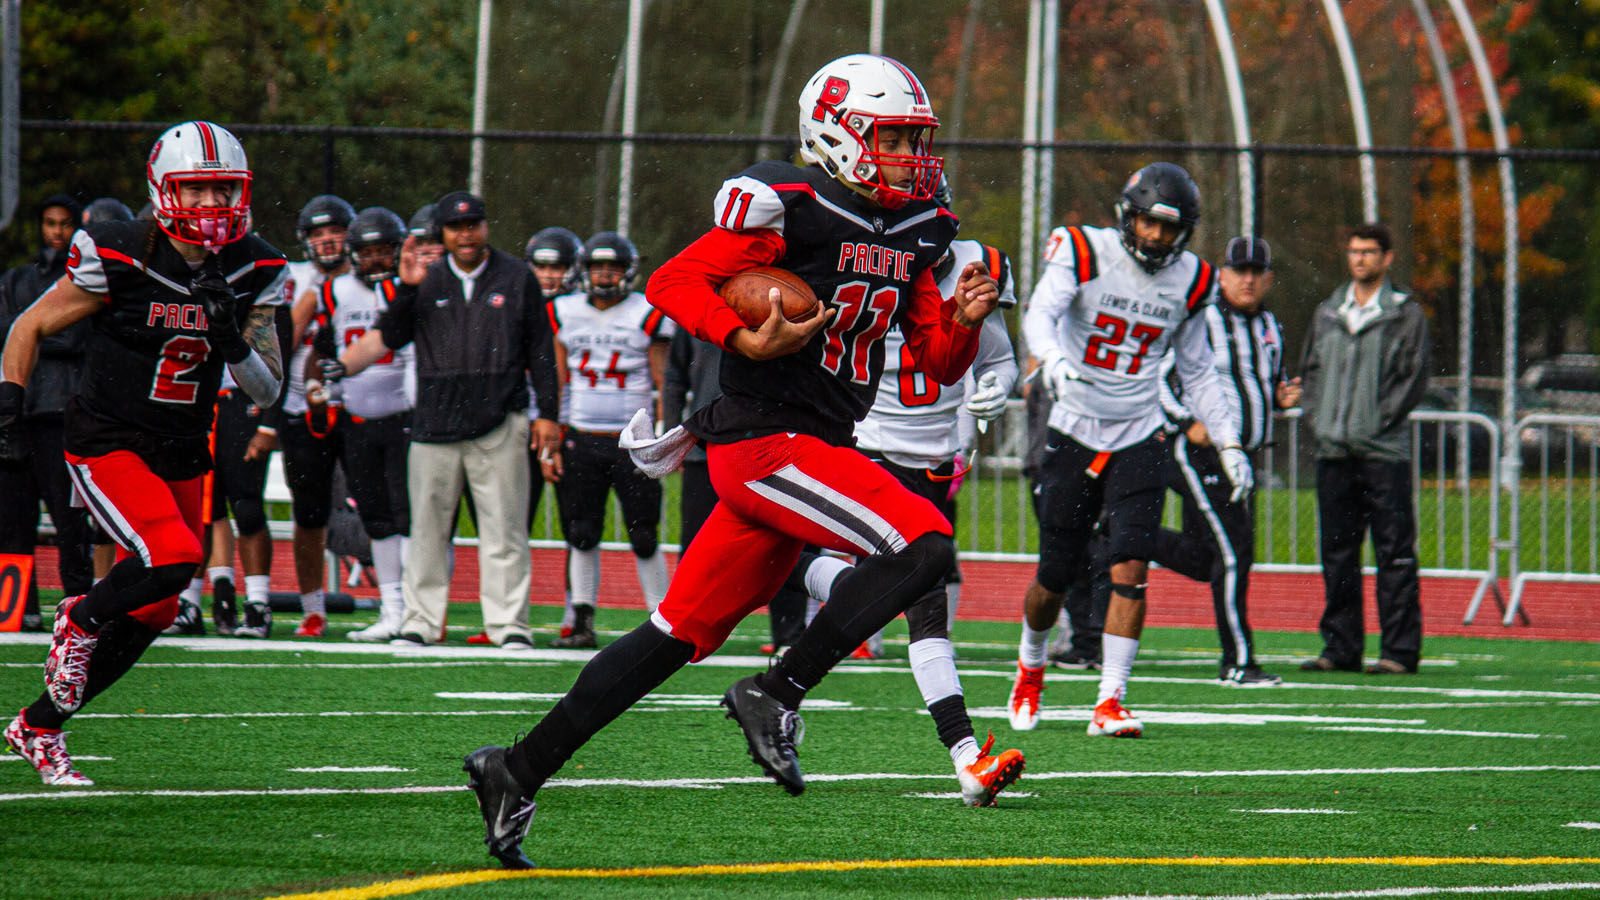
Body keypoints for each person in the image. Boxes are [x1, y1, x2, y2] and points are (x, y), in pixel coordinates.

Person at [456, 54, 1004, 869]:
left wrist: (962, 319)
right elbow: (676, 281)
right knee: (923, 542)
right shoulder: (795, 204)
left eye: (915, 141)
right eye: (891, 138)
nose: (909, 157)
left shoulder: (924, 228)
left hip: (817, 440)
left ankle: (516, 768)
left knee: (674, 635)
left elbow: (936, 357)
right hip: (764, 439)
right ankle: (775, 690)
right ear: (839, 134)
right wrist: (742, 335)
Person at [0, 121, 288, 784]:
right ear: (163, 189)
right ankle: (80, 615)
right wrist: (10, 403)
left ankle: (39, 725)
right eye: (198, 189)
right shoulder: (120, 249)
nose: (214, 205)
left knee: (159, 604)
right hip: (108, 438)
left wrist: (232, 339)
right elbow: (31, 322)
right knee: (177, 554)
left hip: (182, 444)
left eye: (226, 190)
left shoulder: (257, 265)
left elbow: (268, 387)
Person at [1007, 162, 1250, 738]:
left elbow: (1199, 370)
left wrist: (1229, 440)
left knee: (1131, 567)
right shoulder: (1081, 250)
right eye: (1149, 223)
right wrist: (1054, 362)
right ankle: (1030, 668)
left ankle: (1110, 700)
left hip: (1141, 431)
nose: (1156, 238)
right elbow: (1040, 314)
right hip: (1075, 426)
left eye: (1169, 229)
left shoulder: (1193, 279)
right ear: (1127, 215)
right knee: (1055, 575)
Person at [786, 224, 1024, 805]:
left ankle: (782, 663)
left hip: (934, 464)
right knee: (924, 604)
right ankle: (968, 758)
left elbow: (999, 358)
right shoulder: (859, 265)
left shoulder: (980, 262)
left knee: (886, 592)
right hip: (866, 450)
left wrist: (994, 388)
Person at [325, 190, 561, 649]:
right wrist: (407, 291)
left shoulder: (516, 277)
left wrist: (547, 414)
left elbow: (541, 349)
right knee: (427, 532)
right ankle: (421, 621)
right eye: (456, 227)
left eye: (473, 224)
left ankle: (508, 624)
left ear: (485, 226)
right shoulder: (422, 280)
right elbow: (388, 336)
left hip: (500, 419)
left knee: (505, 529)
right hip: (434, 423)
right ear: (443, 234)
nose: (466, 234)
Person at [1154, 236, 1300, 686]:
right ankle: (1239, 662)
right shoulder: (1203, 318)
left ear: (1269, 278)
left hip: (1243, 458)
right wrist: (1183, 421)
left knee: (1207, 559)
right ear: (1223, 275)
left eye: (1257, 271)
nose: (1249, 279)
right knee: (1236, 553)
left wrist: (1280, 399)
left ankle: (1124, 534)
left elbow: (1267, 381)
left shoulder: (1271, 326)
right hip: (1202, 453)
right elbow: (1158, 375)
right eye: (1240, 270)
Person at [1298, 223, 1428, 675]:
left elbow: (1414, 377)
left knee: (1393, 553)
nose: (1360, 259)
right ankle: (1340, 648)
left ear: (1387, 258)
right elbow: (1310, 371)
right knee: (1337, 552)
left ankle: (1398, 651)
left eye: (1369, 252)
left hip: (1383, 452)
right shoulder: (1328, 311)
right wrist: (1317, 419)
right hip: (1333, 450)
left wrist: (1376, 420)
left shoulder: (1404, 312)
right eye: (1354, 251)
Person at [539, 232, 673, 648]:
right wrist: (553, 441)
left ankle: (664, 621)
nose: (604, 275)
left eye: (612, 268)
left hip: (632, 442)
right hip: (581, 435)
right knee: (581, 531)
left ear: (627, 272)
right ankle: (582, 620)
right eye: (598, 267)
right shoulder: (563, 311)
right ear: (584, 270)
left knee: (644, 533)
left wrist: (666, 438)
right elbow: (559, 379)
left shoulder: (647, 312)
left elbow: (661, 380)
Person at [305, 207, 414, 643]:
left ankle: (419, 608)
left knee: (409, 515)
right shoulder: (334, 292)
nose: (374, 260)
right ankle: (392, 608)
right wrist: (316, 388)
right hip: (356, 418)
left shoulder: (410, 291)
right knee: (375, 517)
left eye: (382, 251)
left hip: (406, 417)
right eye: (365, 253)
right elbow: (323, 349)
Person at [0, 194, 91, 633]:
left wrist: (28, 331)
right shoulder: (17, 279)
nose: (57, 232)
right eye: (50, 223)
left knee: (69, 519)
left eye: (66, 223)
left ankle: (77, 606)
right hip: (18, 414)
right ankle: (20, 607)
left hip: (60, 415)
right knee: (14, 519)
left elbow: (73, 339)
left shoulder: (84, 280)